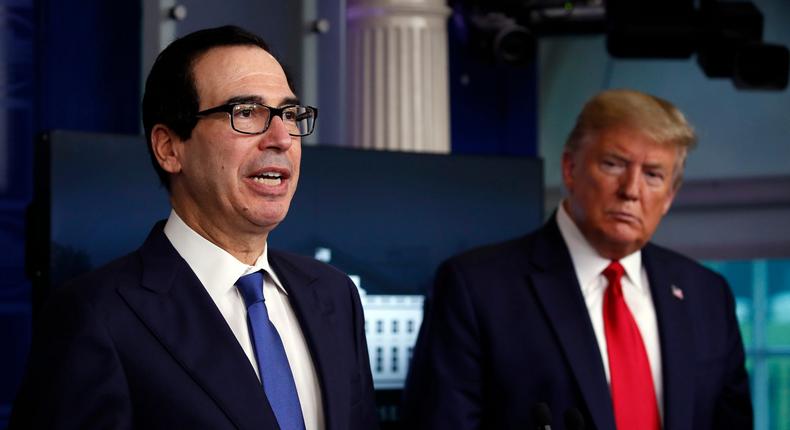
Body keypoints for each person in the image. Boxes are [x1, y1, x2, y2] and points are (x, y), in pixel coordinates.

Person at [11, 25, 378, 430]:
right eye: (246, 113)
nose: (281, 138)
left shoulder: (334, 294)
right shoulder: (95, 317)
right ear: (169, 148)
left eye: (290, 114)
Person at [402, 89, 752, 429]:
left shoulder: (707, 296)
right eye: (613, 165)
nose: (631, 190)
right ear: (570, 168)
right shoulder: (476, 289)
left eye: (653, 175)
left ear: (670, 196)